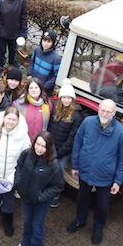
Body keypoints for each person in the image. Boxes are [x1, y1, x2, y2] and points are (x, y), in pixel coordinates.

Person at [67, 99, 123, 245]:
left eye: (108, 111)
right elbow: (77, 142)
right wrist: (75, 165)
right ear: (98, 109)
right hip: (85, 172)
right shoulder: (88, 122)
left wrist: (117, 181)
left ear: (114, 113)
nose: (105, 113)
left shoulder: (122, 133)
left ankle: (98, 228)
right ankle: (80, 220)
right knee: (82, 199)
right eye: (102, 110)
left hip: (106, 177)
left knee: (102, 205)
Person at [0, 106, 31, 237]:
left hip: (11, 178)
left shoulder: (24, 138)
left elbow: (25, 160)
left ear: (18, 121)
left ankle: (7, 220)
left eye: (14, 120)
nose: (11, 122)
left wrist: (11, 179)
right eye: (9, 118)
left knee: (9, 199)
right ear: (4, 118)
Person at [14, 131, 65, 246]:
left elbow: (58, 186)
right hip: (26, 198)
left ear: (49, 147)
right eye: (38, 144)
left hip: (40, 202)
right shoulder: (26, 153)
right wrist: (18, 183)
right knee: (27, 222)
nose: (40, 148)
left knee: (37, 227)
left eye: (44, 146)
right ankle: (25, 243)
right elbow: (19, 167)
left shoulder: (53, 165)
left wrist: (41, 197)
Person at [47, 79, 82, 208]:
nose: (66, 100)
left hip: (62, 151)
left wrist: (59, 153)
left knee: (58, 174)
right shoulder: (55, 108)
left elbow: (71, 139)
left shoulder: (76, 116)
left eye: (69, 98)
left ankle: (55, 197)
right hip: (50, 147)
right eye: (64, 97)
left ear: (72, 99)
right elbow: (49, 127)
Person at [0, 0, 28, 78]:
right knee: (0, 52)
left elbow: (24, 17)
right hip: (1, 32)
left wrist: (23, 33)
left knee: (13, 51)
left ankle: (12, 66)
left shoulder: (22, 0)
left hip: (15, 32)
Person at [14, 78, 51, 143]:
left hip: (38, 143)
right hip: (21, 141)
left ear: (40, 89)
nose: (34, 90)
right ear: (27, 90)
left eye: (36, 87)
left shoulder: (47, 105)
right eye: (31, 88)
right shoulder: (18, 104)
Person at [29, 30, 61, 95]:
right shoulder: (37, 50)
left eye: (49, 41)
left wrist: (44, 86)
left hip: (44, 90)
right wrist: (29, 74)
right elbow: (32, 62)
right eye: (44, 40)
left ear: (53, 43)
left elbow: (56, 76)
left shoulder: (56, 58)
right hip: (32, 84)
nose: (46, 43)